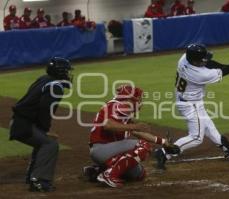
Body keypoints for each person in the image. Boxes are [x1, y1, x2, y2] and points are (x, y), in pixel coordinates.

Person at [154, 44, 229, 170]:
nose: (205, 60)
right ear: (195, 61)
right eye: (202, 59)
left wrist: (228, 66)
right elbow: (221, 72)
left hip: (188, 101)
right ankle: (164, 152)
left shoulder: (184, 58)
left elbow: (209, 63)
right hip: (190, 105)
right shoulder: (200, 75)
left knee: (209, 127)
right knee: (196, 137)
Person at [83, 84, 179, 187]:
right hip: (102, 148)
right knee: (142, 146)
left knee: (139, 174)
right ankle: (109, 174)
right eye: (137, 99)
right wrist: (136, 126)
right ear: (129, 99)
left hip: (108, 150)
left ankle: (96, 170)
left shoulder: (121, 108)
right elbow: (108, 125)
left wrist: (163, 142)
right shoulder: (116, 106)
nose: (139, 101)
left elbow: (137, 132)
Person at [9, 57, 73, 192]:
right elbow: (45, 108)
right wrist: (45, 129)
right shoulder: (56, 86)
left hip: (21, 121)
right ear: (60, 72)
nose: (68, 74)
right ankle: (39, 181)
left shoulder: (44, 79)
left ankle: (32, 177)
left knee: (43, 142)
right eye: (66, 71)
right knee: (50, 144)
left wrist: (43, 130)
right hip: (23, 124)